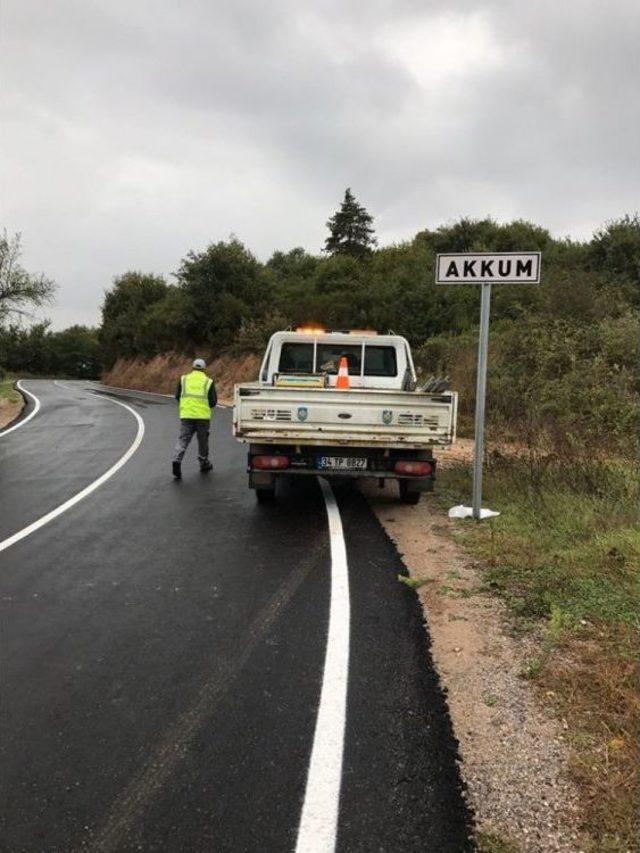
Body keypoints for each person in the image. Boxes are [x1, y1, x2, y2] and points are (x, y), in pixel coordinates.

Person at [172, 358, 217, 479]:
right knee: (203, 441)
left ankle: (177, 459)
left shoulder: (184, 379)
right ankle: (203, 463)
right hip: (202, 417)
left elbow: (177, 396)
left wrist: (187, 406)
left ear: (192, 368)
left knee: (183, 439)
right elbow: (213, 402)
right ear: (204, 369)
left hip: (186, 416)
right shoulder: (208, 381)